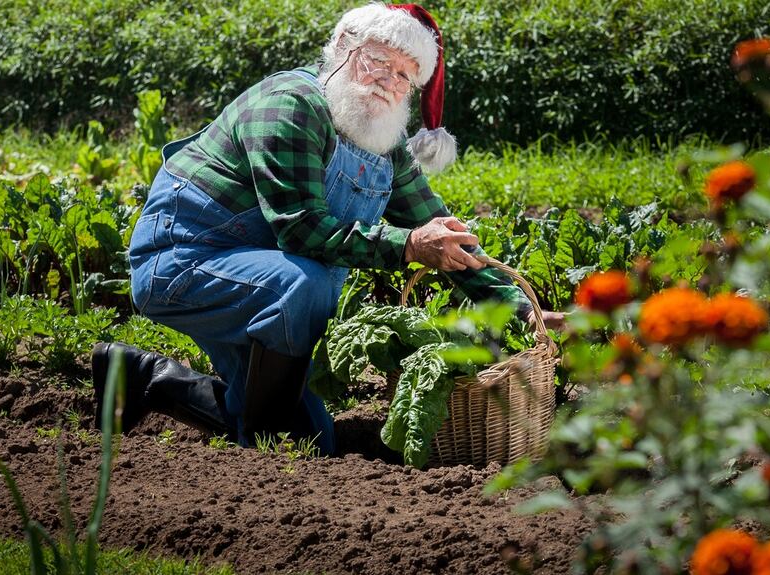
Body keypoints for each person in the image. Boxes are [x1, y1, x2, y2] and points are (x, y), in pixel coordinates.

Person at [92, 3, 563, 455]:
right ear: (342, 46)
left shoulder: (384, 142)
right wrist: (410, 247)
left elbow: (436, 228)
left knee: (309, 440)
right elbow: (301, 230)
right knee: (305, 285)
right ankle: (262, 459)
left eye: (404, 75)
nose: (387, 81)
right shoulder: (290, 107)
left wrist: (521, 309)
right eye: (378, 61)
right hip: (183, 264)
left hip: (262, 280)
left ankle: (141, 375)